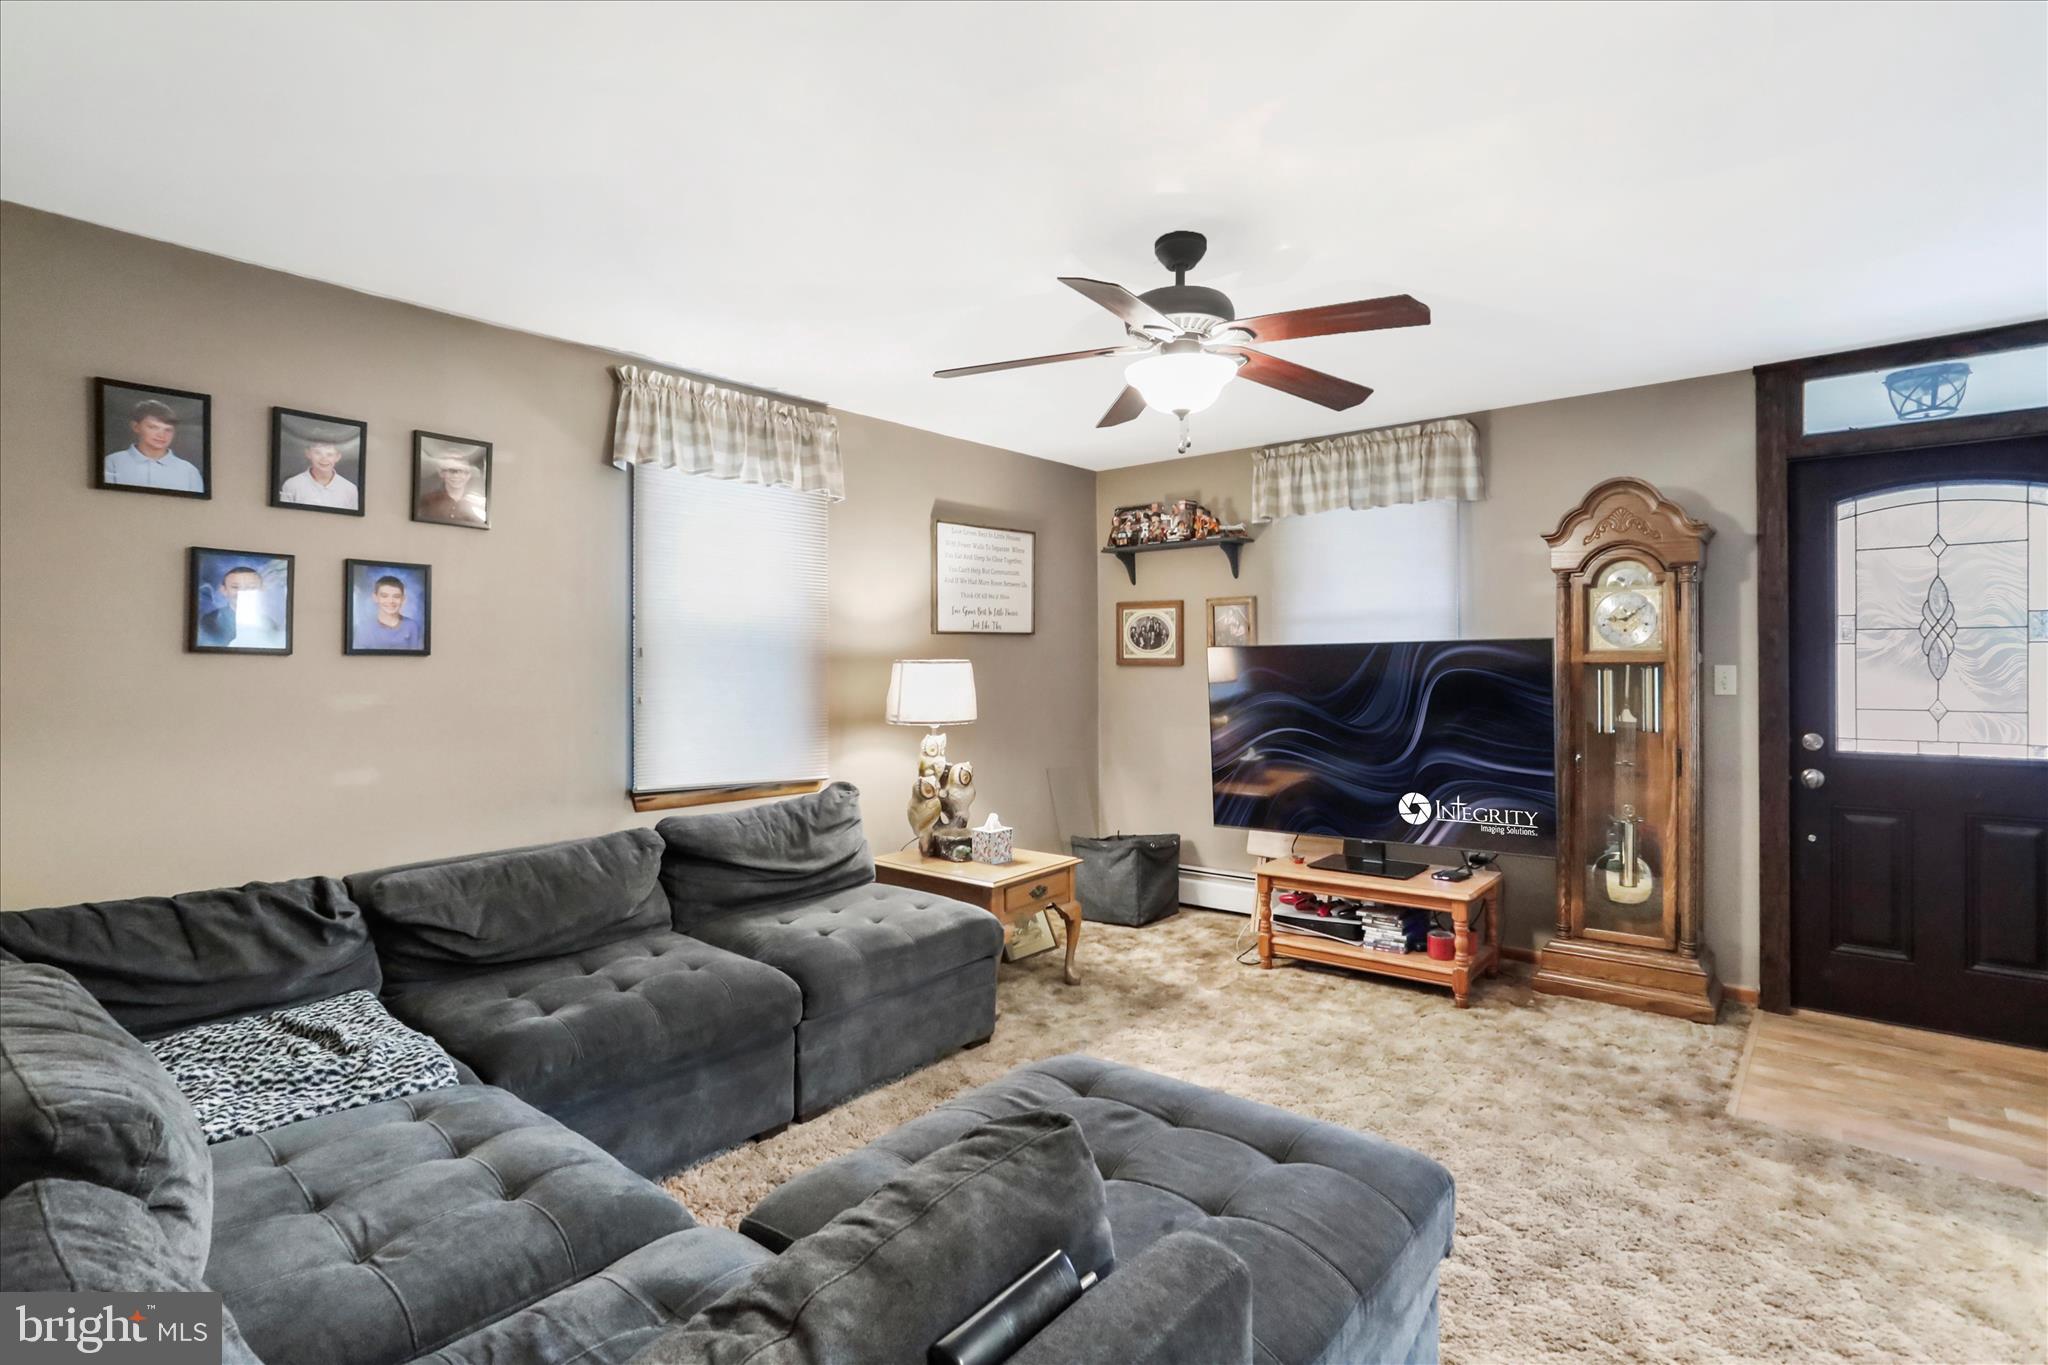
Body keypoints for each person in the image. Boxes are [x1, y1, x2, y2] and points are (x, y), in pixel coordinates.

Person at [104, 398, 204, 492]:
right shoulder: (112, 462)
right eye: (153, 427)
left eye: (168, 430)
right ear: (136, 427)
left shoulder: (189, 471)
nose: (161, 435)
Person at [196, 564, 285, 650]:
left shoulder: (268, 623)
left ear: (261, 590)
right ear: (223, 590)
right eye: (235, 587)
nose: (243, 592)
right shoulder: (209, 621)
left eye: (251, 587)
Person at [277, 438, 359, 510]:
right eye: (318, 453)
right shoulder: (292, 484)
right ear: (308, 454)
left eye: (329, 454)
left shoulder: (350, 489)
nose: (324, 458)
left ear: (337, 457)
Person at [354, 574, 424, 650]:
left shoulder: (412, 626)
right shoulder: (364, 627)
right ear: (375, 597)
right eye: (384, 596)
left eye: (396, 596)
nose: (390, 601)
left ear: (403, 599)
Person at [416, 452, 486, 525]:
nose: (456, 476)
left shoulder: (479, 503)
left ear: (469, 474)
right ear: (441, 473)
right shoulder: (428, 501)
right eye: (451, 470)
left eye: (462, 471)